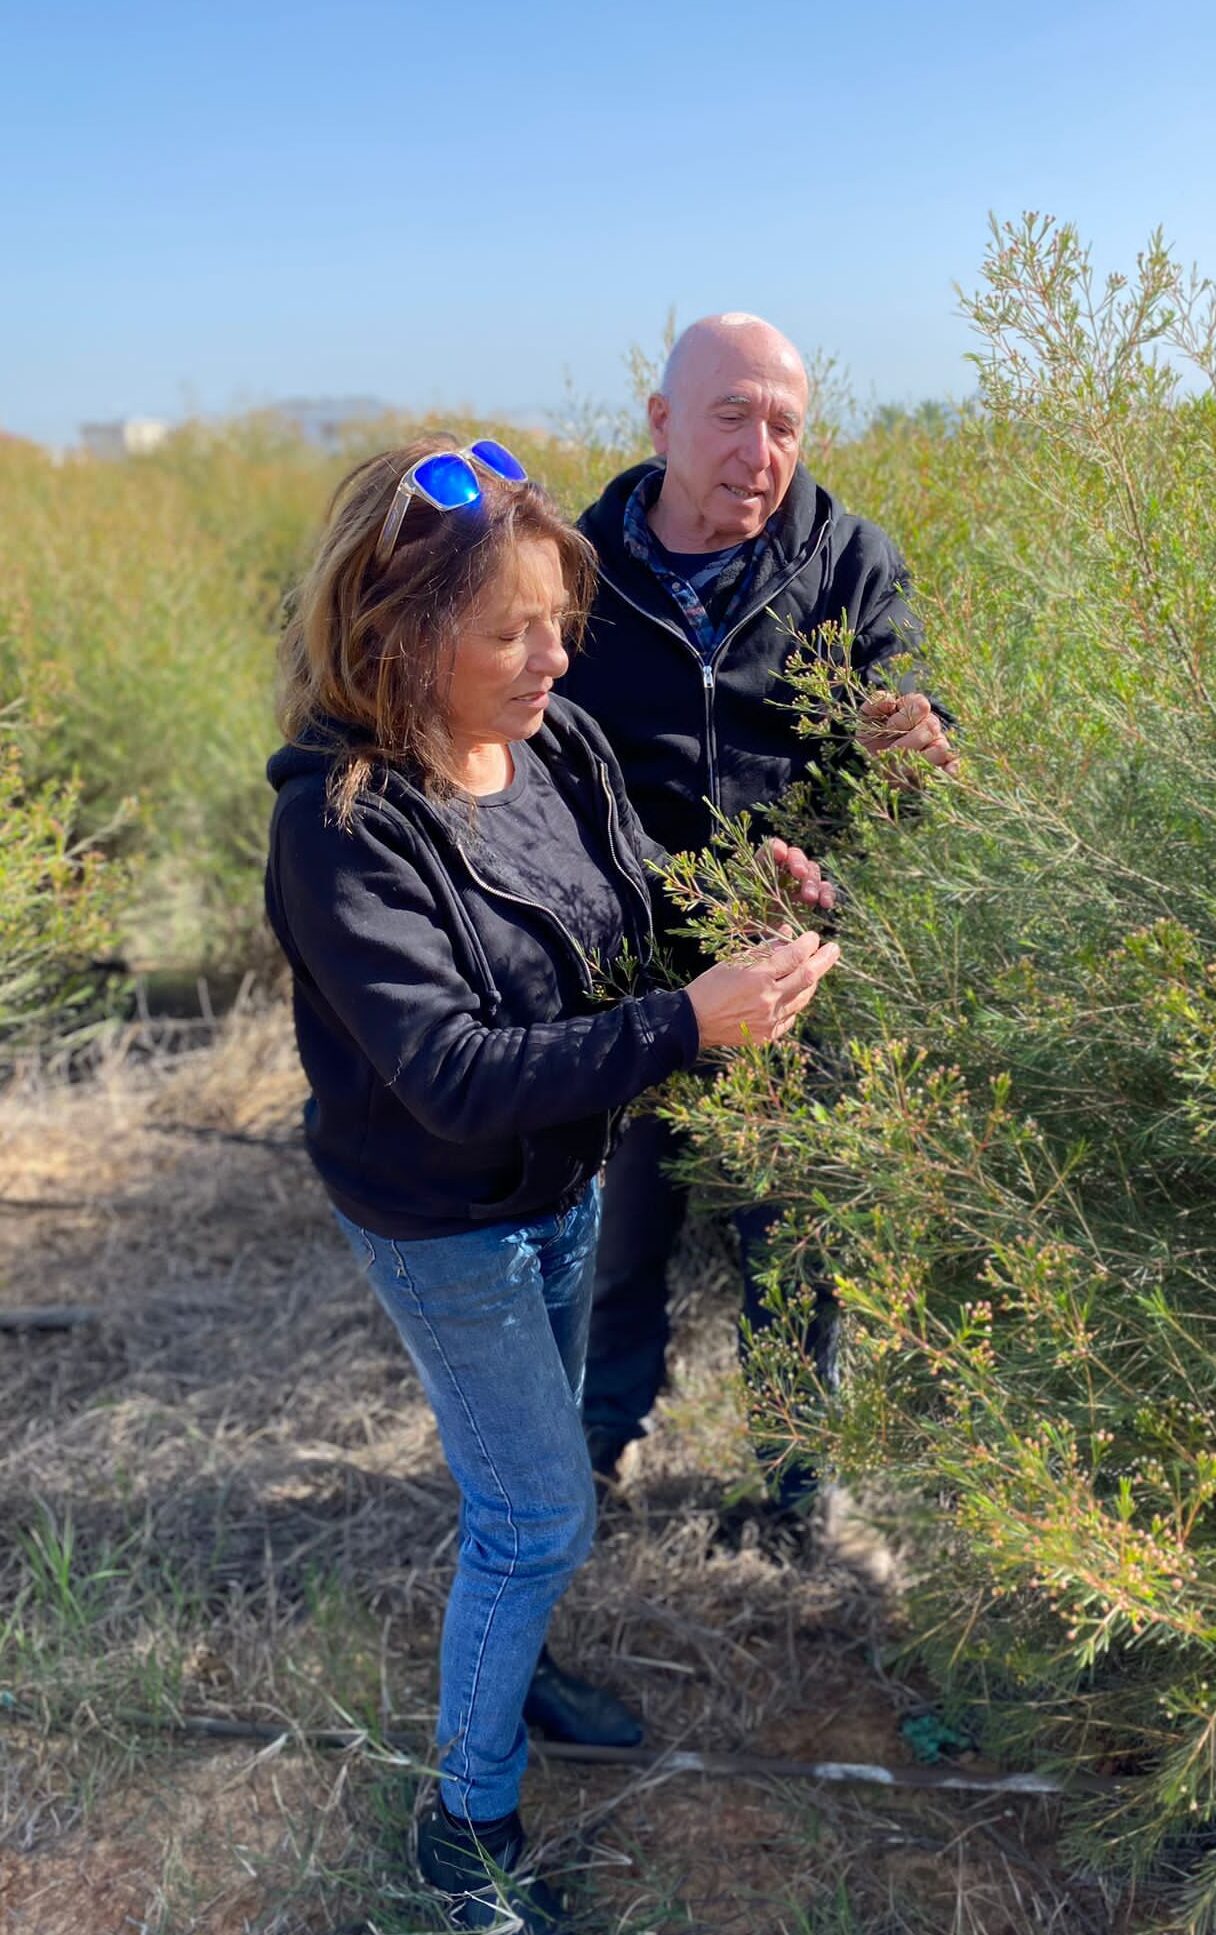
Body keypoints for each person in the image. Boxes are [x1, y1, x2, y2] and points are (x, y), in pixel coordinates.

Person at [263, 434, 840, 1930]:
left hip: (563, 1177)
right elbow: (448, 1073)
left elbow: (631, 894)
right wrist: (688, 1020)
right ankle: (462, 1822)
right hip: (445, 1218)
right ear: (401, 636)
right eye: (511, 629)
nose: (554, 654)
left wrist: (738, 888)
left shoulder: (554, 741)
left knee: (536, 1491)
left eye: (559, 619)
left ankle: (512, 1667)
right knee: (534, 1514)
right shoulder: (340, 825)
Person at [562, 313, 957, 1513]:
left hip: (791, 974)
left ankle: (797, 1492)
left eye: (783, 423)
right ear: (664, 422)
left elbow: (904, 727)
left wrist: (917, 746)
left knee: (793, 1251)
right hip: (631, 973)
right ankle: (593, 1455)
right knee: (615, 1239)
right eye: (731, 416)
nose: (759, 450)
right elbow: (542, 762)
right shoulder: (578, 569)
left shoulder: (848, 559)